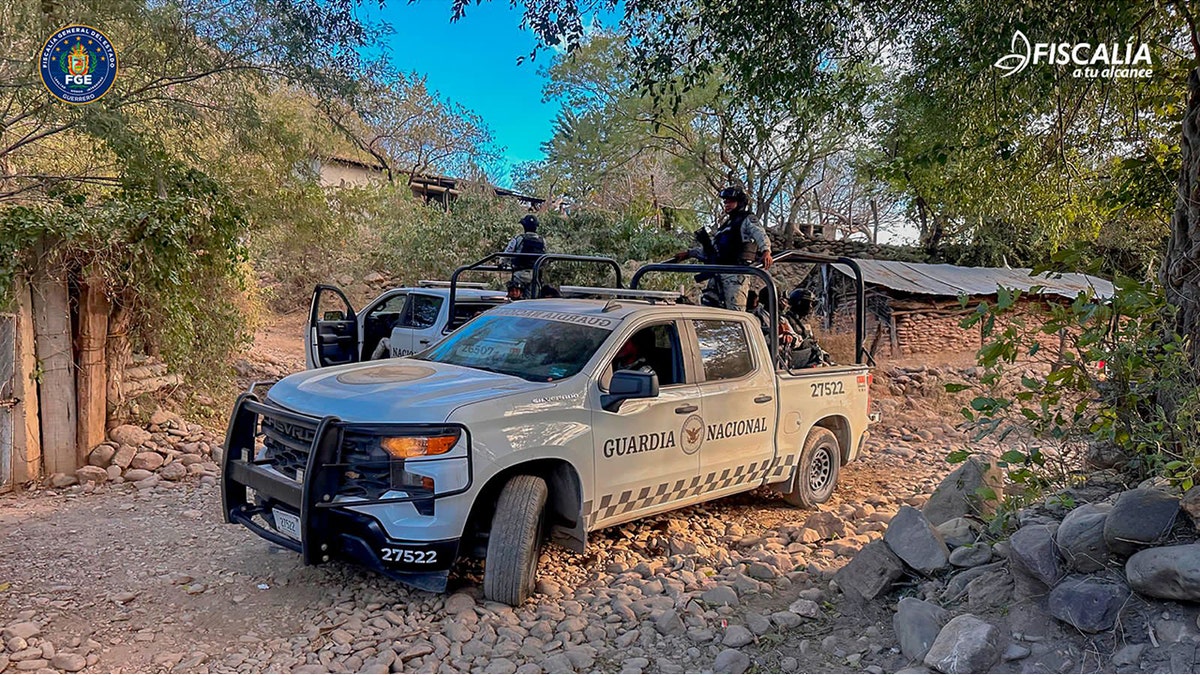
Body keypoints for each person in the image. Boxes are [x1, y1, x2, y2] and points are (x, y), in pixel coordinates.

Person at [674, 186, 772, 311]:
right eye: (725, 201)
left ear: (740, 202)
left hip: (735, 275)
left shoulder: (746, 219)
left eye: (730, 201)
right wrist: (689, 253)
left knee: (735, 313)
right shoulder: (724, 227)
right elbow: (713, 250)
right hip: (717, 272)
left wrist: (766, 251)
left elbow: (760, 234)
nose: (726, 204)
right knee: (708, 309)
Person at [782, 288, 832, 369]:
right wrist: (806, 343)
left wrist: (825, 355)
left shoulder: (803, 323)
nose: (811, 307)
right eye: (809, 303)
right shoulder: (785, 321)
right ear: (800, 303)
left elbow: (814, 344)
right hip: (793, 363)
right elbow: (789, 344)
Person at [504, 214, 546, 296]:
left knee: (515, 299)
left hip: (519, 274)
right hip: (535, 275)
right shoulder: (542, 240)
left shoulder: (519, 239)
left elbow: (506, 254)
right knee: (532, 299)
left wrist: (502, 263)